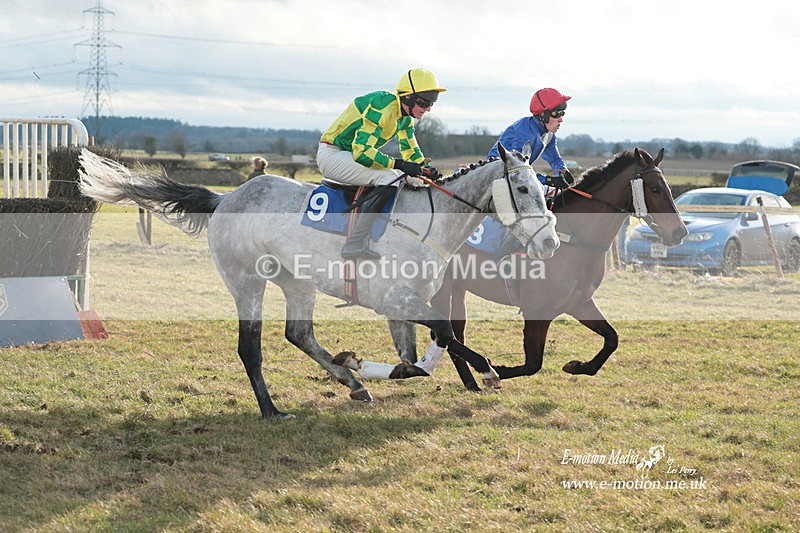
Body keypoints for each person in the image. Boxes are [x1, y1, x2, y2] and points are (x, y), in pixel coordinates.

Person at [317, 68, 445, 259]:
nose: (428, 108)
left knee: (416, 181)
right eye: (424, 102)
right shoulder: (383, 104)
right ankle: (355, 243)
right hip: (332, 154)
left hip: (348, 156)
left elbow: (410, 150)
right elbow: (362, 152)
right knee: (389, 177)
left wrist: (424, 170)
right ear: (408, 97)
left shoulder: (404, 118)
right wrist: (398, 164)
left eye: (432, 103)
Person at [487, 87, 575, 194]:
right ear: (542, 114)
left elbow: (554, 159)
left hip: (517, 179)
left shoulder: (549, 134)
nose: (561, 119)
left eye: (562, 113)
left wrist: (563, 172)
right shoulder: (523, 133)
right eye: (556, 114)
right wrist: (548, 180)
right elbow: (516, 173)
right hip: (497, 180)